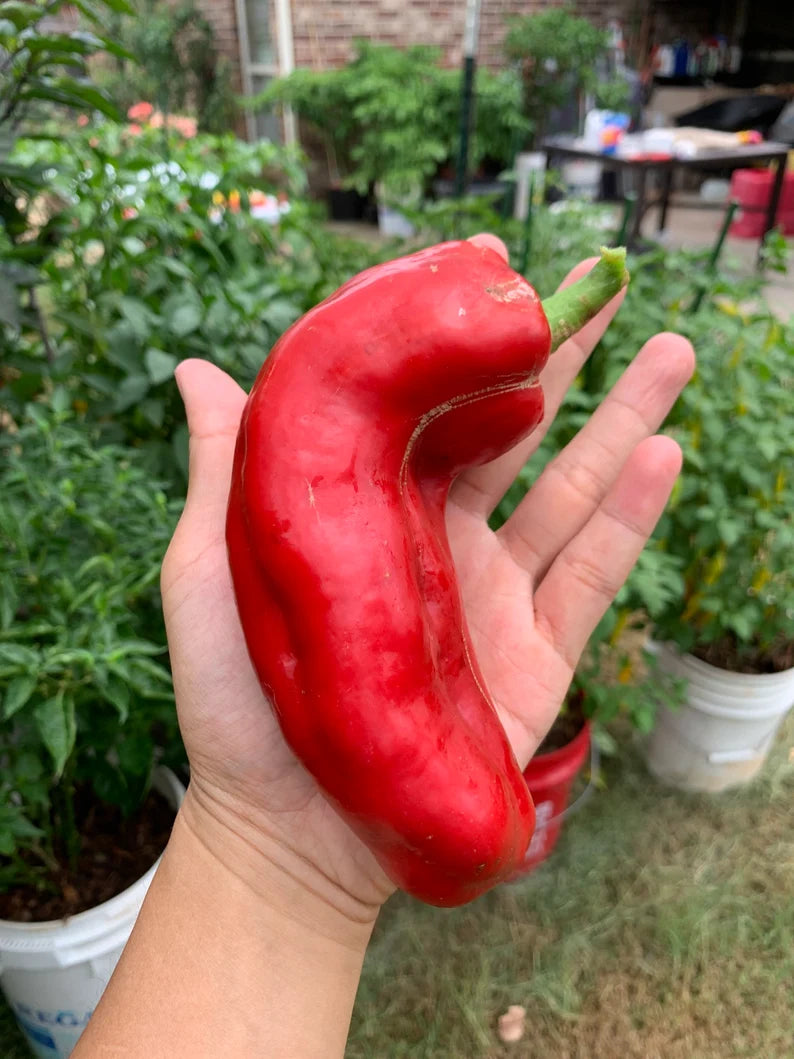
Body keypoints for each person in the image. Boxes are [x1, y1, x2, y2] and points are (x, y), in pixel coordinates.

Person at [73, 236, 694, 1057]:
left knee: (476, 827)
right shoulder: (362, 394)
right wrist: (269, 845)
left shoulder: (386, 402)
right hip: (373, 805)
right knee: (472, 827)